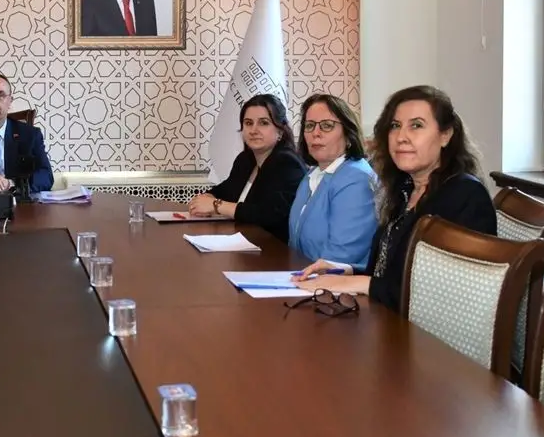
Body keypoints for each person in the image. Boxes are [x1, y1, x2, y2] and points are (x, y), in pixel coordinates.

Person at [294, 85, 497, 311]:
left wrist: (362, 283)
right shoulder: (404, 190)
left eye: (416, 125)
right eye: (395, 126)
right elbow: (389, 272)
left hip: (426, 331)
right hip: (386, 317)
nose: (401, 137)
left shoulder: (465, 195)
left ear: (445, 135)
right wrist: (345, 271)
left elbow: (449, 295)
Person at [188, 93, 306, 243]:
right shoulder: (245, 160)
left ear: (280, 131)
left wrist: (216, 205)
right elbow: (225, 190)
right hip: (242, 243)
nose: (254, 130)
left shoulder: (287, 163)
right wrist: (206, 197)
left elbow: (270, 214)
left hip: (273, 249)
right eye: (248, 123)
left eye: (263, 123)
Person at [288, 94, 378, 271]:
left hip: (335, 283)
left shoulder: (356, 179)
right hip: (303, 276)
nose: (316, 133)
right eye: (309, 125)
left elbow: (339, 257)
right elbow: (294, 243)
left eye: (327, 125)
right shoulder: (312, 174)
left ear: (348, 134)